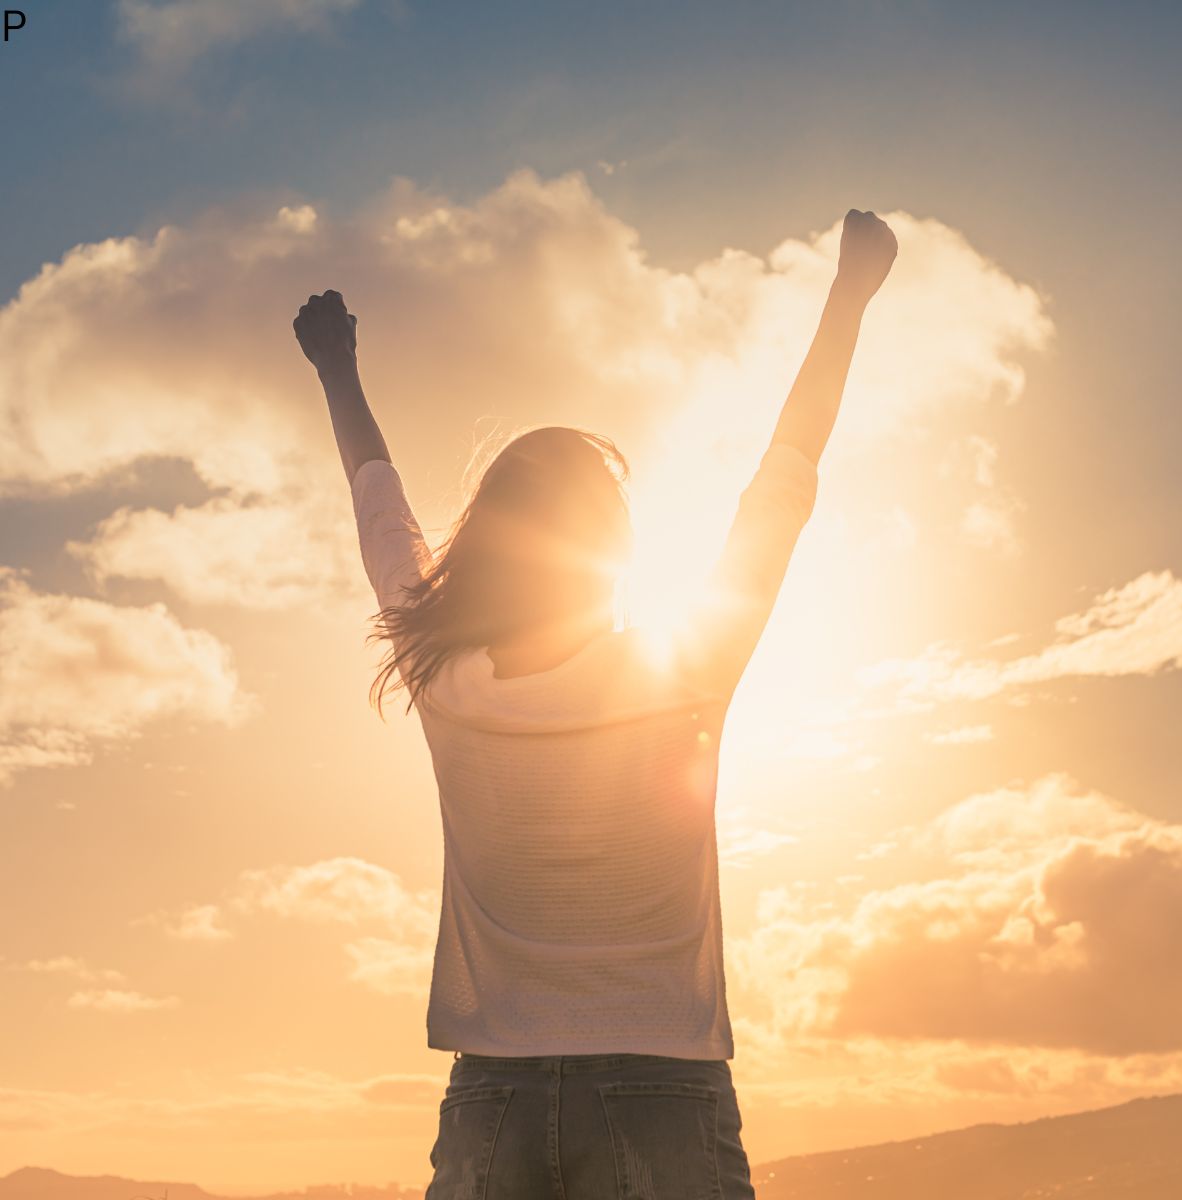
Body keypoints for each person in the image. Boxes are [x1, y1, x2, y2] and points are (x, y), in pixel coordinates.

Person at [293, 208, 897, 1200]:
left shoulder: (446, 679)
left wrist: (336, 368)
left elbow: (380, 510)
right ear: (608, 556)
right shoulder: (684, 669)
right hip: (662, 1090)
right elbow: (783, 482)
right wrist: (848, 294)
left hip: (492, 1103)